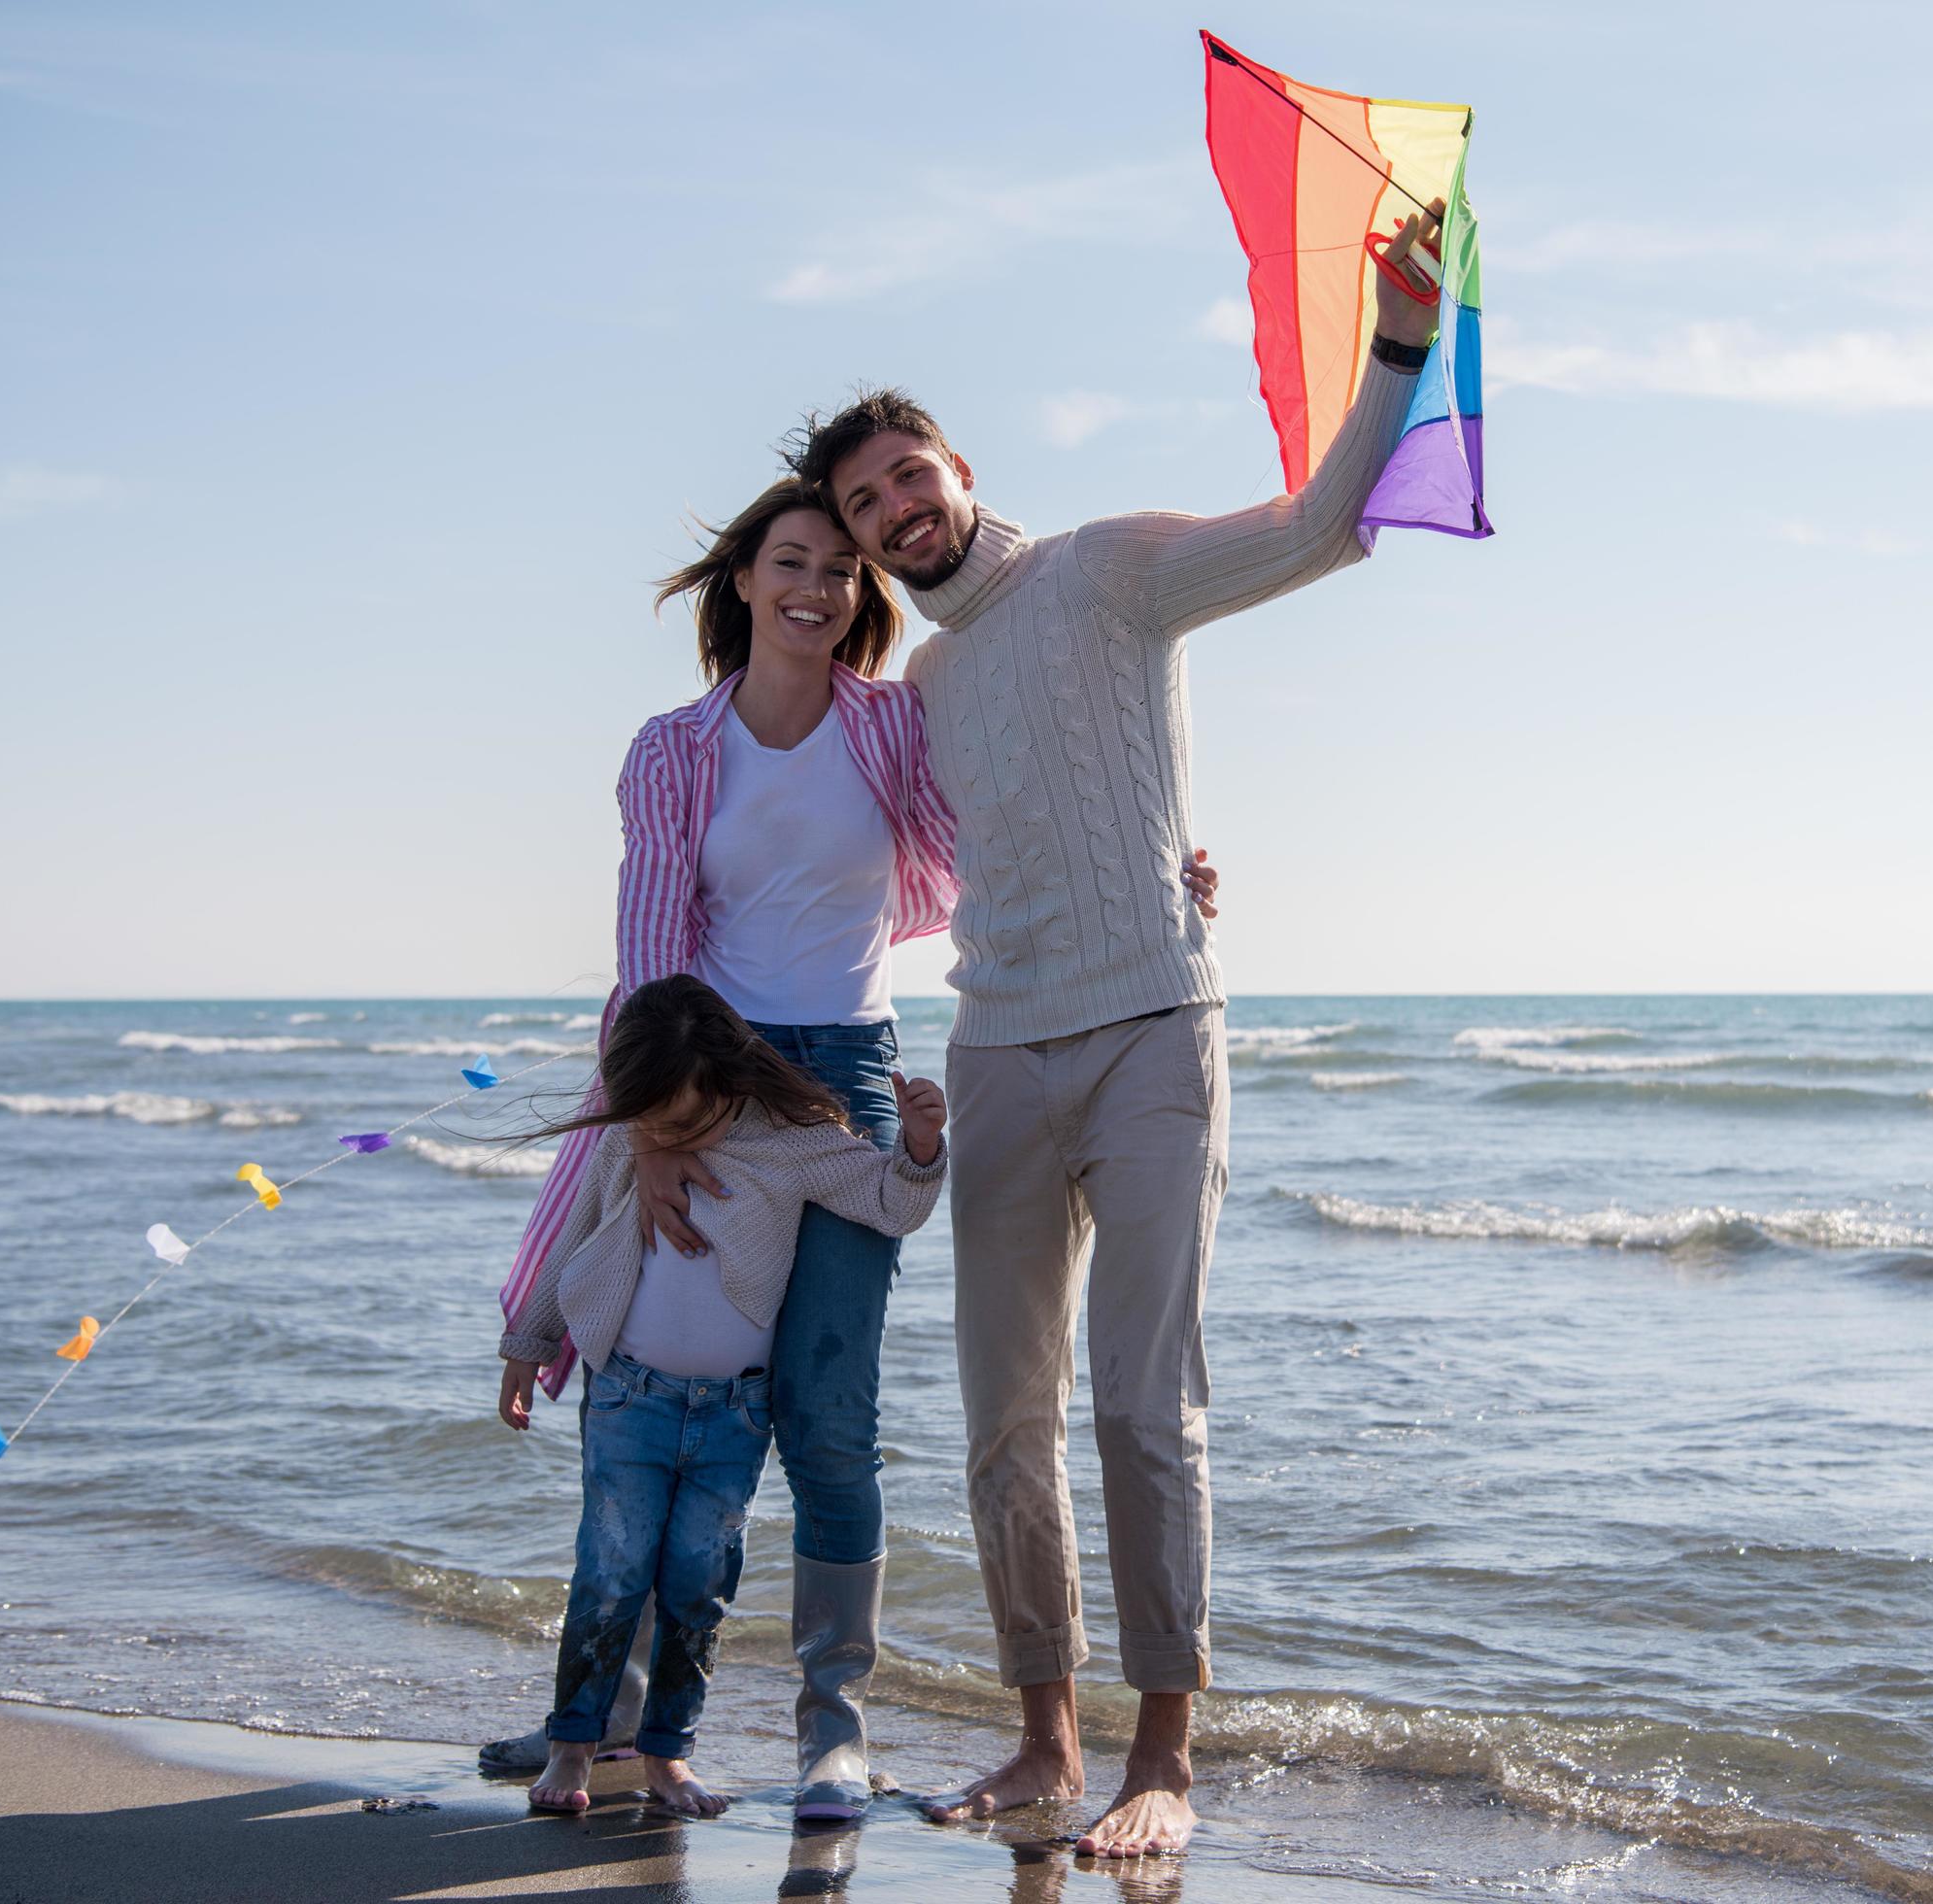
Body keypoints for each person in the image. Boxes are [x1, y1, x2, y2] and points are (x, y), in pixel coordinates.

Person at [786, 204, 1444, 1857]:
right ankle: (1042, 1742)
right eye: (862, 506)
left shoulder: (1114, 567)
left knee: (1145, 1405)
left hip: (1155, 1033)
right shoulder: (917, 695)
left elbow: (1320, 529)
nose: (891, 510)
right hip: (997, 1052)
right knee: (1006, 1424)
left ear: (953, 464)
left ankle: (1165, 1758)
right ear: (859, 545)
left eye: (903, 476)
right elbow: (935, 869)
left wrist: (1401, 339)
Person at [479, 479, 1223, 1819]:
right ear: (746, 581)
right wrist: (653, 1125)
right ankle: (607, 1717)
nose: (816, 586)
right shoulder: (671, 749)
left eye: (837, 566)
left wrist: (1163, 863)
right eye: (790, 562)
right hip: (704, 1083)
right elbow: (650, 947)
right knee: (657, 1396)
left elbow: (1003, 833)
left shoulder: (894, 724)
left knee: (828, 1424)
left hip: (846, 1089)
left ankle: (832, 1727)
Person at [499, 973, 950, 1817]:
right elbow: (577, 1239)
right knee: (608, 1571)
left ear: (732, 1075)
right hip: (626, 1400)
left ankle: (668, 1756)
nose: (665, 1136)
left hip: (733, 1416)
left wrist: (920, 1148)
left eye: (682, 1119)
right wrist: (529, 1341)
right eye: (652, 1122)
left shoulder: (795, 1138)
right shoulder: (630, 1137)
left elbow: (889, 1205)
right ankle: (572, 1747)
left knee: (698, 1588)